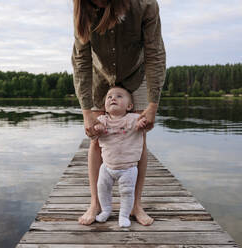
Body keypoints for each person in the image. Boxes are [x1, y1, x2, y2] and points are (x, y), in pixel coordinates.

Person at [72, 0, 166, 226]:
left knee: (139, 138)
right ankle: (96, 203)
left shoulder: (145, 5)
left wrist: (153, 104)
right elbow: (81, 60)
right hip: (100, 77)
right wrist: (86, 112)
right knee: (96, 140)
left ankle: (135, 204)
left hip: (136, 73)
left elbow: (155, 53)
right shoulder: (83, 9)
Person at [92, 86, 147, 227]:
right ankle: (105, 210)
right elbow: (92, 131)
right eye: (109, 97)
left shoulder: (133, 118)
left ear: (129, 106)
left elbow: (143, 124)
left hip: (128, 168)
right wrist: (96, 128)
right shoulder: (101, 120)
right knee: (102, 188)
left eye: (119, 96)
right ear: (104, 105)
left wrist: (142, 123)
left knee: (127, 192)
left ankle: (124, 215)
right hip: (107, 167)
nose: (113, 98)